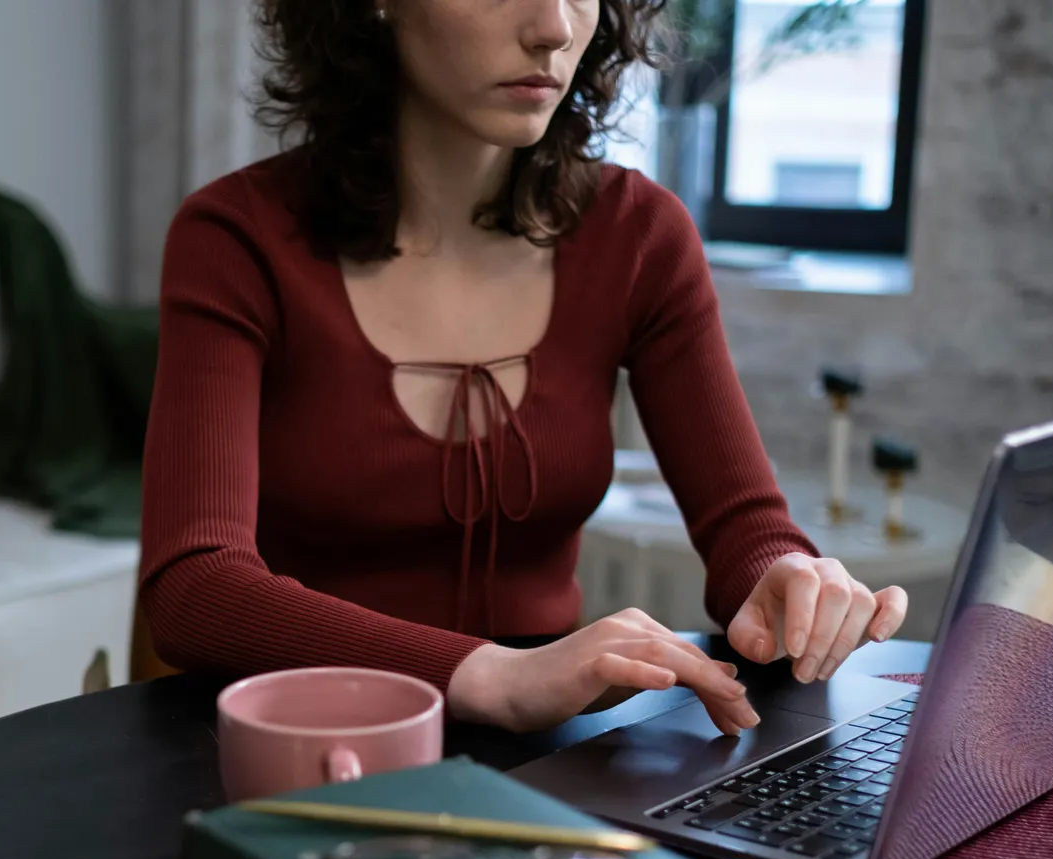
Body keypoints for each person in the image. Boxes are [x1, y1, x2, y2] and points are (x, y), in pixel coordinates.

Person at [138, 0, 908, 734]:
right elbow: (194, 587)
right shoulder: (237, 240)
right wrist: (490, 675)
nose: (553, 28)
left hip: (549, 754)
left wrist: (788, 579)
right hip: (300, 743)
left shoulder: (639, 235)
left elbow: (746, 528)